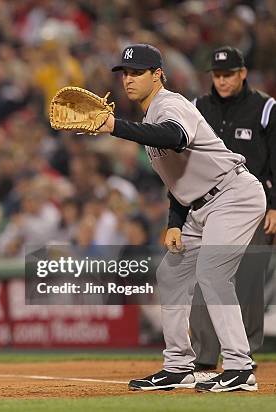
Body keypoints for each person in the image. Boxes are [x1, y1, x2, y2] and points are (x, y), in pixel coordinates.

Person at [98, 44, 264, 392]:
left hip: (233, 194)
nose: (127, 79)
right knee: (170, 276)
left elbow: (173, 137)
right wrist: (175, 222)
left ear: (158, 75)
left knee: (213, 274)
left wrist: (115, 126)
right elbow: (178, 177)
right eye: (124, 73)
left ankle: (239, 366)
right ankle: (177, 366)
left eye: (136, 72)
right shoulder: (149, 116)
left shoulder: (170, 104)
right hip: (199, 207)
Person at [189, 46, 276, 372]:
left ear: (242, 73)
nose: (222, 80)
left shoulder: (265, 108)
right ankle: (205, 354)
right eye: (217, 75)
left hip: (255, 206)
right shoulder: (197, 107)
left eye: (228, 74)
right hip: (207, 206)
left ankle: (245, 352)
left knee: (249, 281)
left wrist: (275, 207)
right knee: (205, 278)